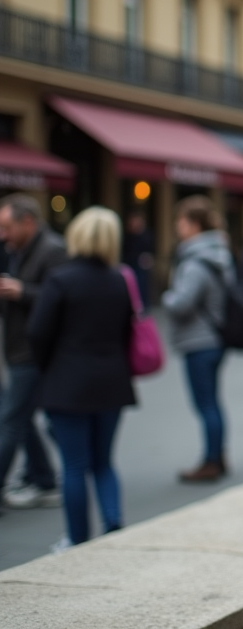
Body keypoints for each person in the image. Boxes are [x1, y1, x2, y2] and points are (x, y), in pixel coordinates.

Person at [27, 207, 135, 551]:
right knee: (103, 462)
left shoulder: (61, 279)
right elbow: (126, 332)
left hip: (68, 381)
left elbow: (37, 332)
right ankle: (113, 522)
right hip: (112, 380)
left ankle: (77, 538)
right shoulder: (119, 279)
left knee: (74, 465)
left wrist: (49, 367)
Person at [162, 196, 235, 483]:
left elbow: (182, 303)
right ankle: (218, 454)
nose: (177, 227)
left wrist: (166, 296)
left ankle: (211, 460)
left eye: (180, 221)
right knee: (212, 402)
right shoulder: (219, 253)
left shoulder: (194, 261)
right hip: (215, 337)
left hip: (198, 340)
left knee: (205, 404)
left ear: (193, 224)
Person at [0, 194, 66, 511]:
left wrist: (22, 291)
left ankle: (36, 478)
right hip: (19, 348)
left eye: (7, 226)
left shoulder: (52, 250)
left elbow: (60, 299)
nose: (3, 234)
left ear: (27, 221)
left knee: (11, 420)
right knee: (22, 420)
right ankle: (43, 477)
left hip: (33, 351)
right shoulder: (18, 249)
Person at [120, 211, 155, 306]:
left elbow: (150, 249)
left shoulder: (145, 234)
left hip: (141, 266)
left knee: (142, 287)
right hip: (130, 265)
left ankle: (143, 307)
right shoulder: (127, 236)